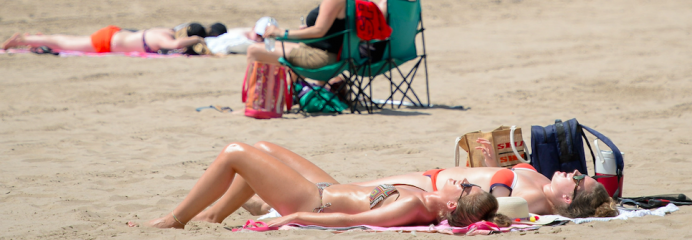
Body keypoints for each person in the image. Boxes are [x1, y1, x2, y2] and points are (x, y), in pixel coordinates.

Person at [129, 141, 505, 229]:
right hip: (327, 186)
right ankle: (211, 216)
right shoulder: (431, 199)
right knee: (262, 150)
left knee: (234, 154)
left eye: (467, 187)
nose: (466, 181)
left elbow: (351, 222)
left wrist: (292, 217)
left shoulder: (415, 207)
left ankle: (176, 220)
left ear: (454, 206)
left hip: (314, 198)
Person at [224, 142, 615, 221]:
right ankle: (261, 200)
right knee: (335, 190)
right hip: (426, 181)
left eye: (579, 182)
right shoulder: (542, 181)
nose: (577, 173)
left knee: (336, 192)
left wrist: (493, 183)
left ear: (567, 200)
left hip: (423, 187)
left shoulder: (532, 199)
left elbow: (498, 201)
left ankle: (262, 202)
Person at [2, 26, 205, 54]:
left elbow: (177, 39)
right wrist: (198, 39)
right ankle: (20, 41)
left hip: (114, 33)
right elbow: (176, 45)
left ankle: (31, 39)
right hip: (108, 42)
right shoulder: (165, 40)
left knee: (66, 41)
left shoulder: (166, 30)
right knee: (65, 44)